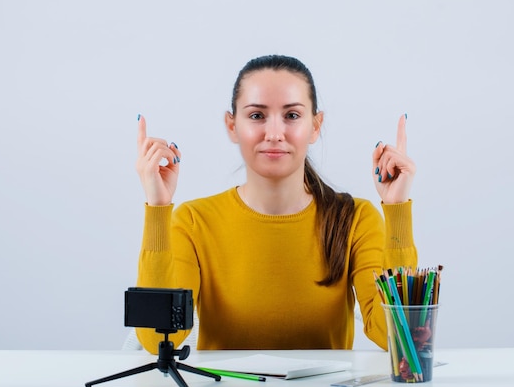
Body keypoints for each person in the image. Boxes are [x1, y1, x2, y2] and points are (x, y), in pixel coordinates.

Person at [134, 54, 417, 354]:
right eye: (257, 116)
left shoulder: (355, 219)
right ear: (232, 126)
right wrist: (158, 207)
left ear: (315, 125)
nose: (274, 134)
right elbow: (157, 339)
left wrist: (396, 207)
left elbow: (399, 337)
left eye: (292, 116)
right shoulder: (193, 221)